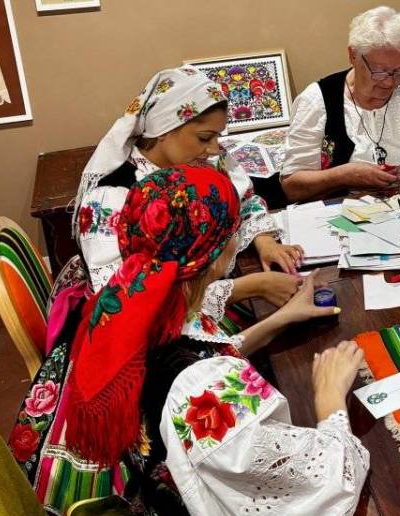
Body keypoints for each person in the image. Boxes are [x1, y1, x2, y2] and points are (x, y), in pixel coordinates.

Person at [42, 165, 367, 516]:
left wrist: (279, 321)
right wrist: (331, 401)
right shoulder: (200, 386)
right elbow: (307, 478)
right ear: (218, 254)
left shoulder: (129, 307)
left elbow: (189, 365)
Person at [71, 66, 304, 327]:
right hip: (150, 328)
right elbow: (121, 302)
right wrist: (247, 288)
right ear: (164, 130)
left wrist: (265, 241)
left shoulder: (205, 160)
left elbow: (244, 202)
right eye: (205, 137)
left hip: (211, 296)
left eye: (217, 136)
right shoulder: (112, 197)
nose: (214, 148)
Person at [280, 5, 400, 202]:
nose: (389, 82)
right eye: (379, 71)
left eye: (399, 70)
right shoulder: (317, 100)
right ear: (353, 55)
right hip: (343, 214)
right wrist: (342, 176)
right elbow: (292, 187)